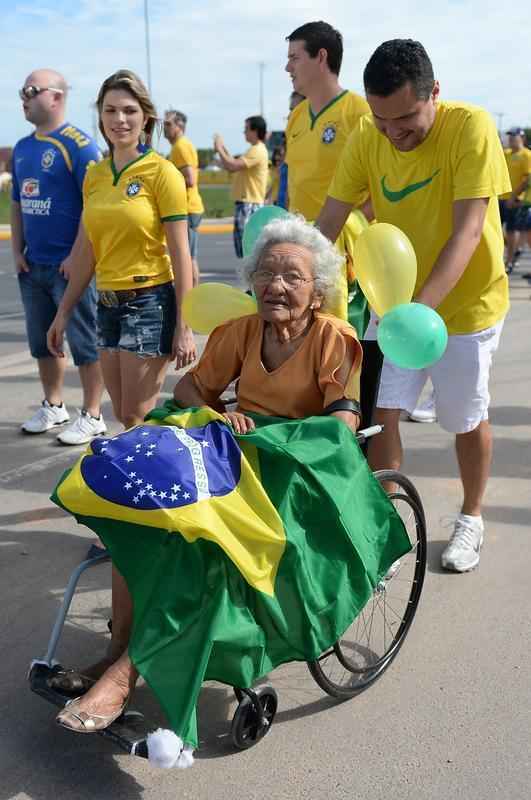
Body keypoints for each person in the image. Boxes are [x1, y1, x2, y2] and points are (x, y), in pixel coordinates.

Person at [51, 216, 377, 738]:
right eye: (267, 273)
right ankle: (116, 653)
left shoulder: (333, 337)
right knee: (145, 518)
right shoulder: (242, 331)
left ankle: (125, 672)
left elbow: (343, 422)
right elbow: (190, 392)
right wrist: (222, 415)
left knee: (201, 546)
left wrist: (281, 439)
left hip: (296, 468)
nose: (275, 285)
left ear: (317, 293)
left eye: (293, 277)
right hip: (233, 456)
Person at [317, 39, 511, 572]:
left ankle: (471, 516)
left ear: (434, 94)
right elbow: (329, 221)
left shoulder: (469, 127)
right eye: (382, 120)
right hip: (396, 298)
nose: (393, 132)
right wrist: (290, 276)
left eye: (405, 118)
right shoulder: (367, 134)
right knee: (382, 416)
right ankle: (389, 523)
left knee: (465, 417)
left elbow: (468, 232)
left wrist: (420, 314)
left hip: (465, 308)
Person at [47, 69, 196, 434]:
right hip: (106, 304)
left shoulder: (162, 173)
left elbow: (181, 255)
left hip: (150, 302)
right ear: (100, 116)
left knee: (136, 413)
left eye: (129, 110)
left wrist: (185, 326)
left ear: (145, 116)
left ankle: (159, 482)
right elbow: (86, 250)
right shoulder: (94, 175)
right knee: (122, 415)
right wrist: (63, 313)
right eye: (110, 110)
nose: (120, 120)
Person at [11, 68, 106, 445]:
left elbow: (93, 204)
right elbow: (17, 202)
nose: (23, 97)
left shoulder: (79, 145)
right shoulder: (22, 147)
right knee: (41, 341)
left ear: (55, 96)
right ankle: (54, 405)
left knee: (85, 341)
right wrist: (17, 250)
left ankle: (94, 413)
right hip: (33, 265)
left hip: (70, 267)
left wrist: (77, 256)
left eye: (30, 90)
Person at [284, 20, 371, 329]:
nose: (287, 67)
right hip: (300, 253)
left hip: (342, 258)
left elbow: (380, 187)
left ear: (321, 57)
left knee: (342, 346)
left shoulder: (359, 113)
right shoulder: (295, 117)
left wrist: (354, 228)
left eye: (295, 57)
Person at [213, 116, 269, 258]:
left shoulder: (257, 150)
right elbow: (232, 164)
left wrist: (219, 148)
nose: (244, 133)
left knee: (249, 252)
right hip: (246, 203)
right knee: (245, 252)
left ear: (255, 131)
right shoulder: (254, 150)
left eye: (246, 129)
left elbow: (232, 165)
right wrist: (223, 149)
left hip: (250, 204)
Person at [163, 109, 204, 286]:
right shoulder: (178, 146)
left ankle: (192, 300)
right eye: (163, 124)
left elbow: (190, 179)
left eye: (168, 124)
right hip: (187, 207)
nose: (164, 128)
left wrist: (166, 176)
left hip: (187, 208)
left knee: (187, 260)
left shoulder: (181, 146)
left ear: (180, 126)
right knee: (187, 258)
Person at [501, 128, 531, 272]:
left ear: (522, 138)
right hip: (500, 197)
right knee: (497, 231)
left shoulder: (527, 155)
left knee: (512, 230)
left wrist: (514, 197)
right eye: (510, 136)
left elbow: (526, 179)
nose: (511, 139)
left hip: (515, 200)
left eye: (515, 136)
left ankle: (509, 261)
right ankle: (508, 255)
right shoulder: (505, 153)